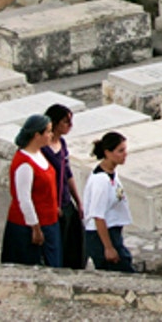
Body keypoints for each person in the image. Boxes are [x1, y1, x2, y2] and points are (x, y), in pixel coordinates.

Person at [2, 114, 61, 267]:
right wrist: (35, 227)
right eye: (48, 132)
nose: (51, 135)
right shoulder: (24, 163)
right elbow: (24, 198)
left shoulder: (39, 154)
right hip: (30, 227)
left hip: (49, 222)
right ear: (37, 135)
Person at [82, 132, 134, 273]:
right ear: (107, 152)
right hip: (101, 235)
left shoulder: (112, 174)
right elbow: (98, 216)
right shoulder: (101, 180)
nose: (125, 154)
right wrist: (108, 247)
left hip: (113, 231)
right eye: (120, 151)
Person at [43, 104, 85, 269]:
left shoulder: (61, 143)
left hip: (66, 201)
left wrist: (78, 201)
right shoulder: (44, 149)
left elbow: (67, 174)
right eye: (66, 121)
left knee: (74, 244)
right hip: (53, 205)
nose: (70, 125)